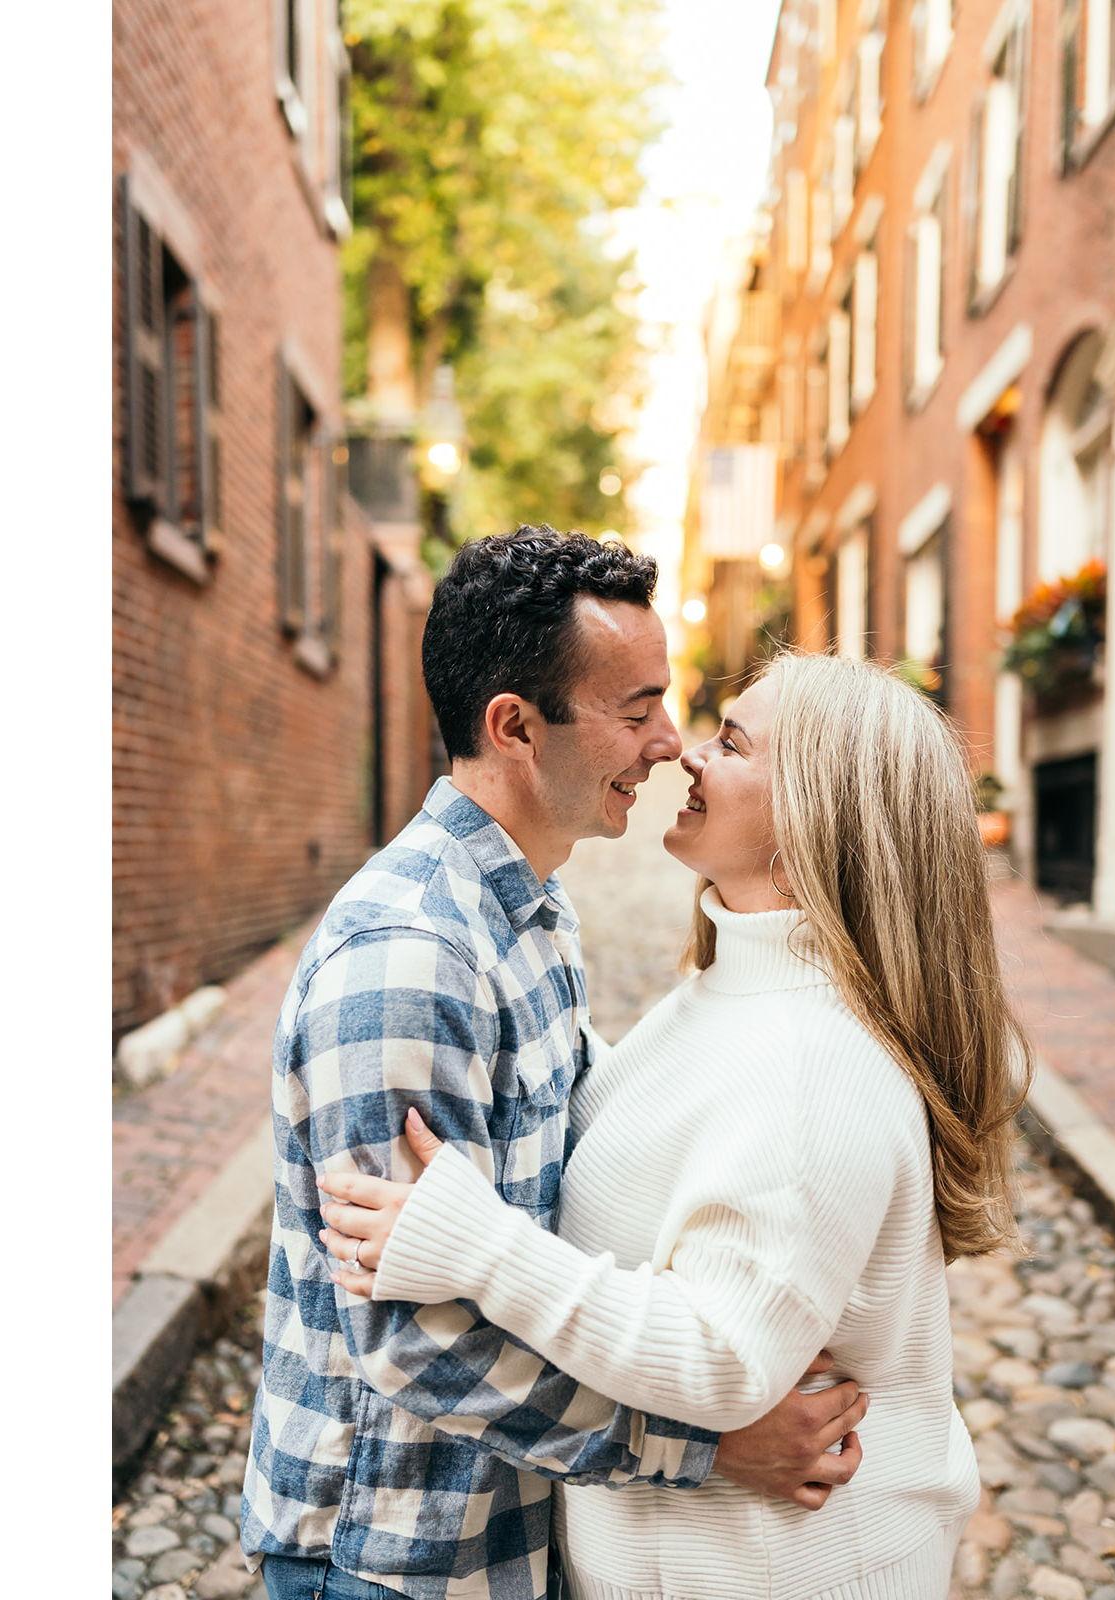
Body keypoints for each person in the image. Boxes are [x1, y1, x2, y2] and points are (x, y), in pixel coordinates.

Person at [317, 649, 1035, 1600]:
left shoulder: (817, 1066)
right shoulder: (734, 988)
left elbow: (723, 1356)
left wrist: (482, 1247)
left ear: (814, 817)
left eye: (733, 742)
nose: (686, 755)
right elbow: (657, 1138)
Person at [239, 529, 868, 1600]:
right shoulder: (411, 959)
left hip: (507, 1530)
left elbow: (599, 1124)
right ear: (515, 727)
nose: (668, 744)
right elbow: (415, 1346)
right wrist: (710, 1443)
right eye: (636, 711)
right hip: (392, 1555)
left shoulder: (531, 904)